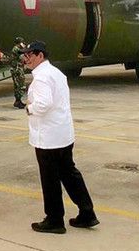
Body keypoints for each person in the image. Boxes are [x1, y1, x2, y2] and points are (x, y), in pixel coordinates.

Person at [22, 41, 99, 233]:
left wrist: (29, 108)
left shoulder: (41, 77)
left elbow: (44, 104)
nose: (27, 58)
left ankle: (55, 220)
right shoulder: (56, 73)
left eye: (30, 54)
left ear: (41, 56)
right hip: (62, 134)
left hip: (48, 138)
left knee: (50, 179)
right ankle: (87, 213)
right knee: (69, 174)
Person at [8, 37, 29, 108]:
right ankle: (18, 101)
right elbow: (22, 57)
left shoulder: (17, 49)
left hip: (17, 69)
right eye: (22, 42)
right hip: (17, 70)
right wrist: (26, 49)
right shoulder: (16, 49)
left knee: (18, 85)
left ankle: (18, 101)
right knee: (20, 85)